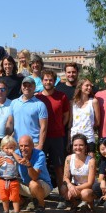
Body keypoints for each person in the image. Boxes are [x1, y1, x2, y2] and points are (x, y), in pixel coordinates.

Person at [35, 69, 69, 198]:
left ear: (54, 82)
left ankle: (62, 195)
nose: (48, 82)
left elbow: (66, 116)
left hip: (57, 137)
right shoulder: (37, 97)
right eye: (45, 79)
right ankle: (39, 195)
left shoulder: (62, 96)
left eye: (50, 80)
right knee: (38, 166)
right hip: (41, 137)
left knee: (59, 167)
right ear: (42, 81)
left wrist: (59, 126)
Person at [13, 135, 53, 213]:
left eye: (26, 146)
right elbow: (2, 156)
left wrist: (29, 165)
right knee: (5, 181)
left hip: (42, 186)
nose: (23, 148)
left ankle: (41, 205)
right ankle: (22, 201)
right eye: (21, 146)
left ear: (32, 146)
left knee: (33, 183)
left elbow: (34, 177)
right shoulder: (17, 153)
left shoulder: (40, 154)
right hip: (26, 184)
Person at [7, 76, 48, 149]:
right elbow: (10, 122)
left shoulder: (40, 104)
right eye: (24, 85)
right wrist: (7, 138)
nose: (27, 87)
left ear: (34, 87)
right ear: (21, 86)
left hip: (33, 143)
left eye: (30, 86)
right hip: (16, 142)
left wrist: (40, 145)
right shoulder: (14, 102)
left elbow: (43, 127)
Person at [62, 134, 97, 213]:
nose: (78, 148)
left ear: (85, 146)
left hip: (88, 187)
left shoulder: (91, 161)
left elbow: (90, 183)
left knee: (85, 194)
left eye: (81, 145)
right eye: (75, 145)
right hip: (76, 185)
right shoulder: (69, 158)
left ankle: (90, 204)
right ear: (72, 146)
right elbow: (65, 177)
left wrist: (74, 189)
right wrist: (70, 185)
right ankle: (74, 204)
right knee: (63, 188)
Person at [0, 136, 21, 213]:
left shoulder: (16, 154)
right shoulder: (1, 154)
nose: (9, 150)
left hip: (13, 179)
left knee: (15, 197)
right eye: (6, 148)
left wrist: (13, 153)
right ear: (2, 148)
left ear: (15, 147)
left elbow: (19, 160)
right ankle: (6, 211)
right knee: (4, 197)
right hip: (3, 179)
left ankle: (16, 212)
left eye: (11, 147)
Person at [69, 78, 100, 154]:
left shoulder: (93, 102)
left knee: (90, 161)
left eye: (90, 86)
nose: (89, 88)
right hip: (75, 138)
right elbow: (71, 122)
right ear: (80, 86)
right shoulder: (73, 103)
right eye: (87, 85)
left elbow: (97, 122)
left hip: (88, 137)